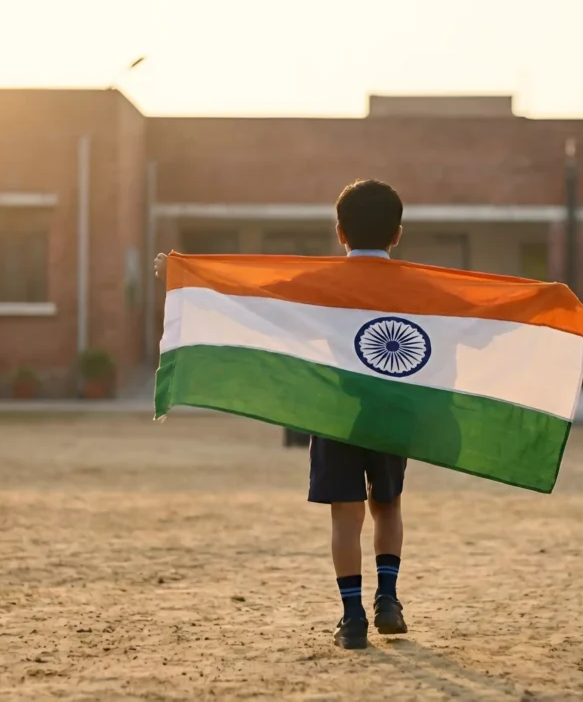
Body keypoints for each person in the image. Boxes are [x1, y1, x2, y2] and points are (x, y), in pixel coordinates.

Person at [153, 180, 411, 651]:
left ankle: (353, 617)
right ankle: (388, 599)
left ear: (340, 233)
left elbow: (253, 297)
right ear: (397, 234)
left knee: (345, 514)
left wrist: (185, 275)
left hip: (334, 413)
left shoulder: (319, 284)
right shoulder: (419, 287)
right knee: (387, 504)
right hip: (392, 413)